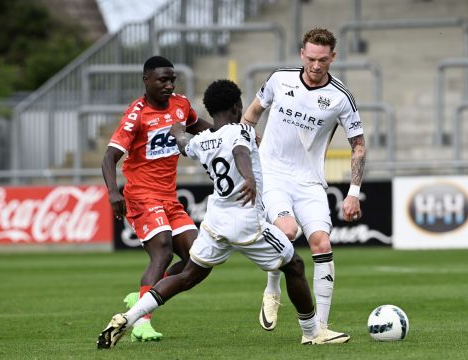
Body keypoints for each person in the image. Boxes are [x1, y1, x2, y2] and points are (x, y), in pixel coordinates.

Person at [97, 79, 350, 349]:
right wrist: (249, 178)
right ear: (237, 106)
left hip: (215, 222)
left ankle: (128, 317)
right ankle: (312, 332)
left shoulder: (203, 141)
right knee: (295, 265)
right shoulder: (241, 131)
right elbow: (240, 151)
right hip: (246, 222)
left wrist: (178, 131)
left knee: (187, 276)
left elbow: (183, 143)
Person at [241, 27, 366, 332]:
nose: (315, 65)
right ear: (302, 54)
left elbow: (358, 145)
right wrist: (246, 136)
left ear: (332, 58)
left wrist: (353, 193)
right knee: (287, 229)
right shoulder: (279, 79)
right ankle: (272, 288)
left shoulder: (340, 97)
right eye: (311, 58)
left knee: (321, 243)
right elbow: (252, 113)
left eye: (322, 59)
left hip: (310, 181)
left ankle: (320, 329)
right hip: (272, 173)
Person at [101, 55, 212, 342]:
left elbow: (200, 126)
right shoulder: (136, 114)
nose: (169, 84)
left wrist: (234, 132)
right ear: (146, 80)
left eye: (172, 79)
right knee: (162, 249)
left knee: (198, 258)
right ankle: (140, 322)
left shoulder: (181, 105)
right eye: (162, 79)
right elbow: (109, 156)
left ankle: (141, 299)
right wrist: (113, 192)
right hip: (140, 194)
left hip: (168, 197)